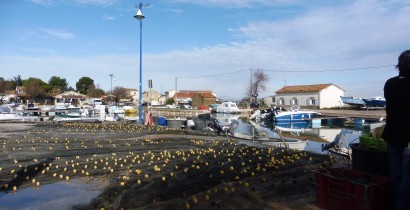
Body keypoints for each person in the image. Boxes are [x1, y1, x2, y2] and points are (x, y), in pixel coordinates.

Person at [382, 50, 410, 210]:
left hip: (392, 136)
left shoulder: (390, 83)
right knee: (407, 179)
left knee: (396, 175)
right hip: (407, 139)